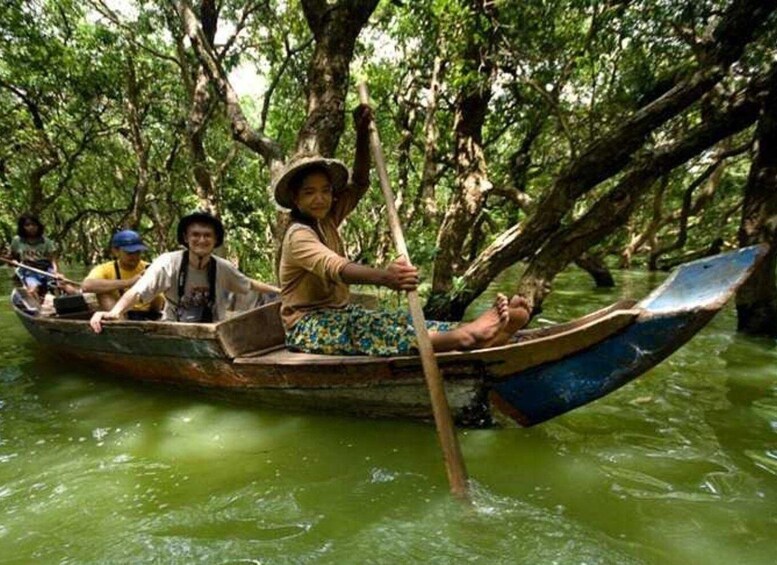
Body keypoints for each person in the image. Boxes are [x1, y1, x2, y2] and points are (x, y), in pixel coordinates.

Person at [275, 113, 530, 357]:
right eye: (309, 192)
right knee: (368, 331)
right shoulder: (298, 235)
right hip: (306, 327)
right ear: (296, 200)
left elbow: (360, 184)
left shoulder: (327, 218)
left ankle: (481, 335)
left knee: (393, 319)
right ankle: (465, 338)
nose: (320, 198)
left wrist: (362, 134)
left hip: (340, 314)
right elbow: (337, 268)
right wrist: (385, 277)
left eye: (325, 191)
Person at [89, 211, 279, 332]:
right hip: (177, 331)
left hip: (214, 331)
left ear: (215, 240)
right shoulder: (168, 263)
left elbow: (249, 284)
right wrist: (114, 313)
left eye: (207, 236)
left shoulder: (222, 266)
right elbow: (137, 292)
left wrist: (280, 292)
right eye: (195, 235)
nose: (201, 240)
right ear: (186, 238)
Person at [81, 230, 164, 319]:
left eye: (138, 252)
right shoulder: (105, 269)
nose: (135, 257)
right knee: (103, 293)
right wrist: (129, 282)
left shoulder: (149, 267)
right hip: (121, 314)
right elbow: (86, 286)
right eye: (130, 253)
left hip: (148, 314)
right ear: (115, 251)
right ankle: (120, 324)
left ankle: (155, 322)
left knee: (158, 292)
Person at [9, 213, 65, 299]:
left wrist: (56, 272)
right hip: (29, 271)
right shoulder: (17, 240)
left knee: (61, 285)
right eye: (27, 225)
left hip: (46, 270)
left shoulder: (46, 242)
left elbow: (53, 260)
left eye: (33, 224)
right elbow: (13, 257)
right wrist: (14, 262)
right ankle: (37, 306)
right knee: (32, 289)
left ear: (38, 226)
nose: (31, 227)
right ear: (22, 227)